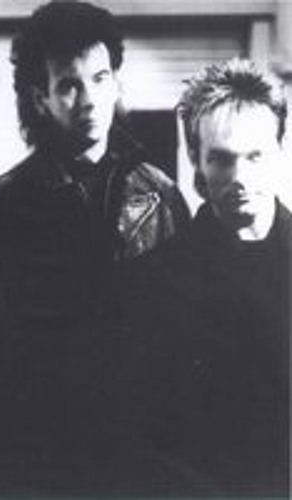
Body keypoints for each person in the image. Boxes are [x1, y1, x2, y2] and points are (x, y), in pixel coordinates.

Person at [0, 0, 190, 492]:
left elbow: (180, 336)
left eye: (99, 78)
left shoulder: (161, 194)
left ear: (115, 83)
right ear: (40, 98)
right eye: (69, 85)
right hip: (39, 449)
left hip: (138, 444)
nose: (89, 99)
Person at [124, 58, 291, 496]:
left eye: (255, 156)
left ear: (280, 149)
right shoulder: (155, 281)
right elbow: (151, 439)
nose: (240, 178)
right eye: (221, 159)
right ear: (196, 162)